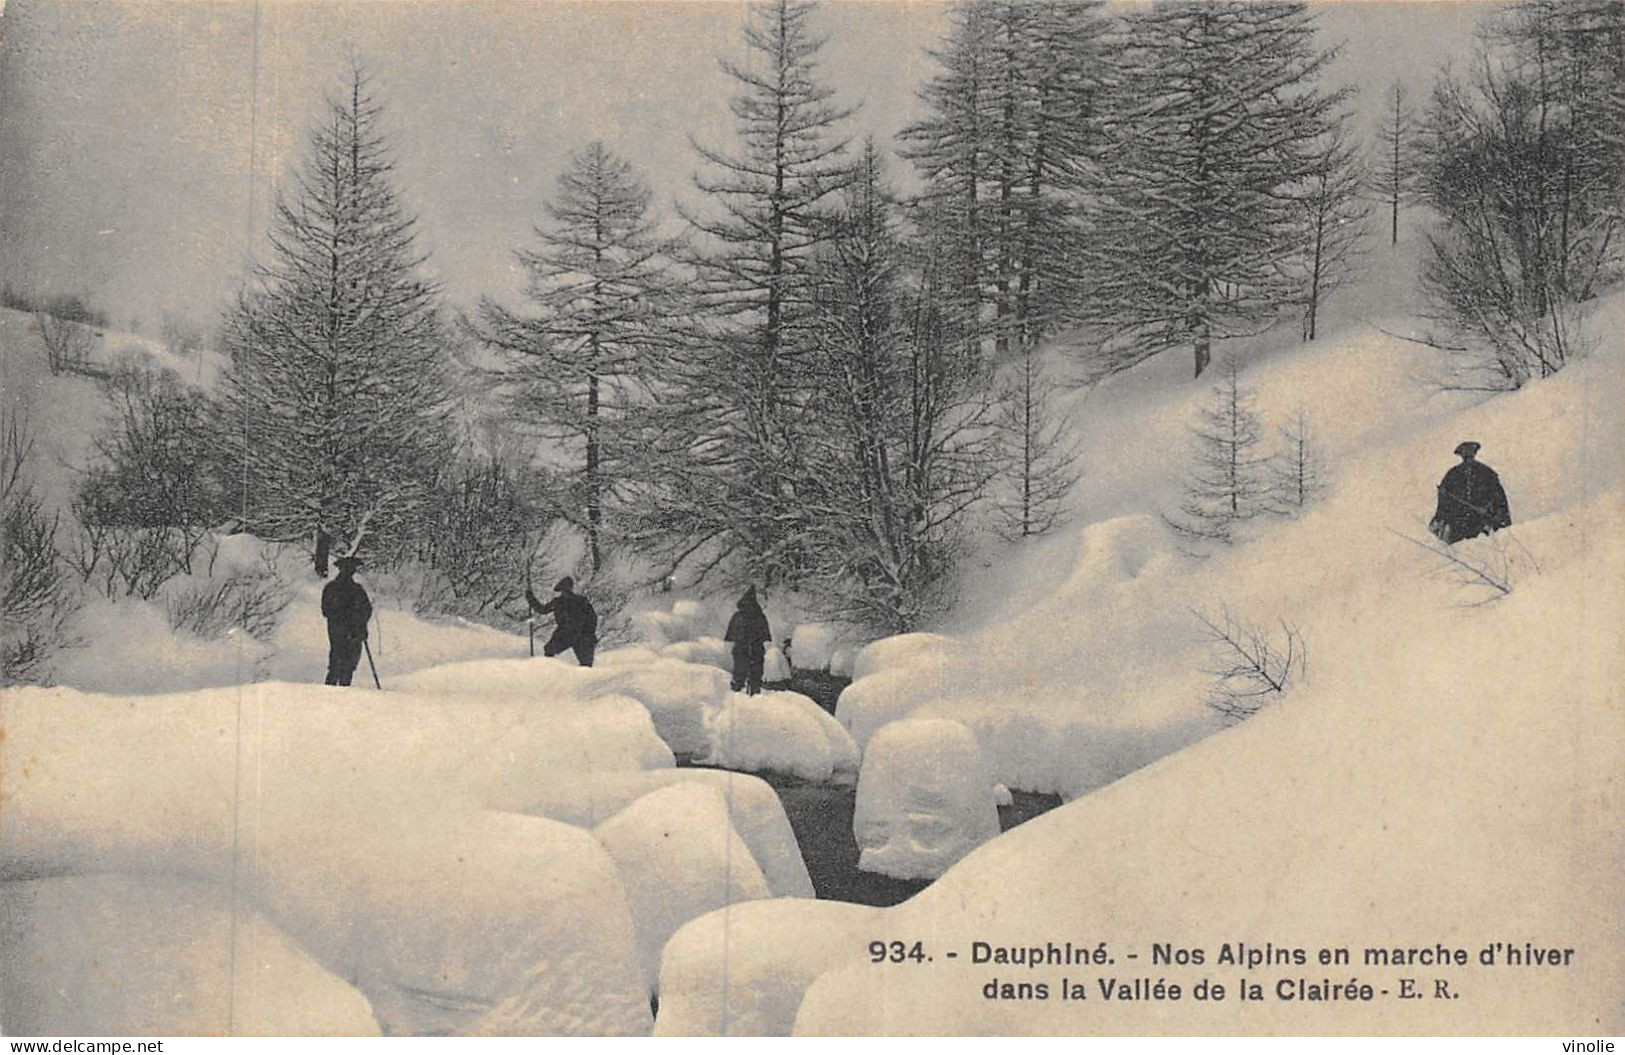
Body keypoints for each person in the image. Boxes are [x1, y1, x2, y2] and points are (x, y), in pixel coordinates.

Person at [1430, 441, 1511, 545]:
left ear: (1474, 454)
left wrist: (1491, 511)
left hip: (1482, 523)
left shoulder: (1487, 473)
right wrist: (1440, 518)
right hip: (1459, 524)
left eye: (1470, 454)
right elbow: (1444, 502)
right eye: (1465, 454)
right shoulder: (1452, 475)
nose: (1468, 457)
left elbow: (1499, 500)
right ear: (1461, 455)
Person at [322, 554, 373, 686]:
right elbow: (326, 610)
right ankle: (333, 688)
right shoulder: (333, 588)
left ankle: (340, 688)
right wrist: (348, 617)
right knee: (341, 658)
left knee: (345, 660)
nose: (349, 571)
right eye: (347, 568)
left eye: (351, 569)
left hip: (350, 629)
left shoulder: (357, 590)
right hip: (340, 628)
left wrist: (361, 624)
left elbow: (366, 610)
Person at [526, 576, 598, 667]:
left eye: (566, 590)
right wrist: (530, 598)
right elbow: (542, 609)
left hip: (581, 634)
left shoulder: (581, 601)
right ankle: (549, 672)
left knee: (586, 664)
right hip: (566, 633)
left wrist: (589, 633)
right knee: (549, 651)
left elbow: (592, 618)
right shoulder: (558, 602)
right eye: (563, 590)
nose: (565, 592)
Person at [723, 586, 772, 696]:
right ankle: (754, 691)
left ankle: (737, 690)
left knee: (740, 670)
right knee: (756, 672)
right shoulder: (760, 616)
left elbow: (730, 635)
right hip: (756, 648)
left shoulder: (737, 616)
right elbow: (766, 636)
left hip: (741, 648)